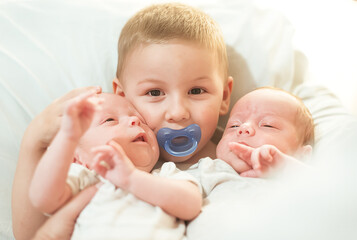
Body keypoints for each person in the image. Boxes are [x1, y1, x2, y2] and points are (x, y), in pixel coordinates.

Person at [12, 3, 232, 239]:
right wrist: (33, 142)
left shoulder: (238, 152)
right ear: (122, 96)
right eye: (155, 93)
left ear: (225, 96)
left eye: (197, 90)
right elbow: (33, 231)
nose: (177, 112)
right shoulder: (98, 166)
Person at [29, 91, 202, 239]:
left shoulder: (164, 175)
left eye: (142, 120)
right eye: (110, 120)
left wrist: (132, 179)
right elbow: (42, 199)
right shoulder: (85, 178)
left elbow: (192, 205)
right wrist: (66, 138)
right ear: (77, 157)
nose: (134, 120)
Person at [216, 87, 314, 178]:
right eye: (234, 126)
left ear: (302, 156)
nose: (244, 127)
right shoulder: (207, 170)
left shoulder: (298, 181)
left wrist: (286, 167)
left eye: (267, 125)